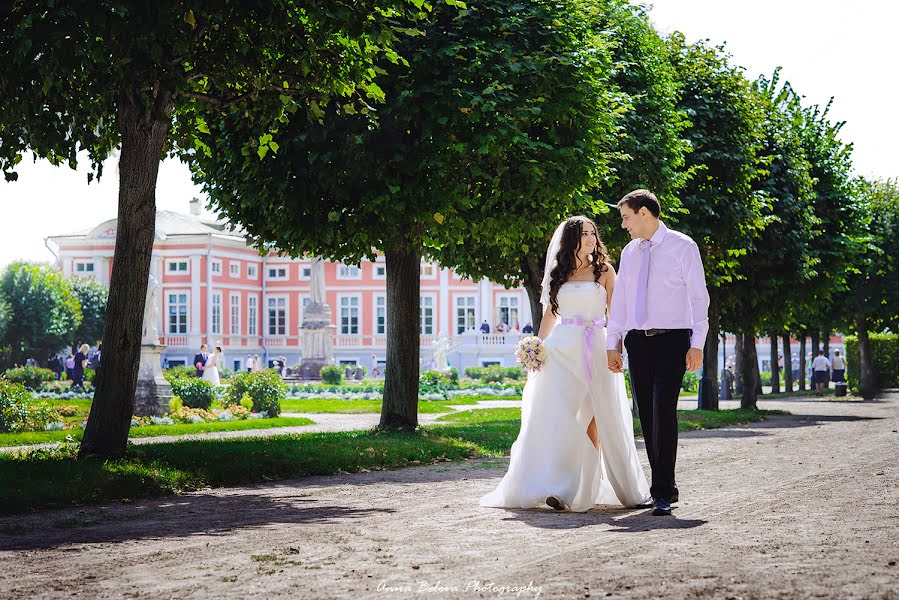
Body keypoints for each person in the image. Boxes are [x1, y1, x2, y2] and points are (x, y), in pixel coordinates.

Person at [481, 215, 651, 513]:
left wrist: (616, 349)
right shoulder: (558, 273)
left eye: (592, 233)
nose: (590, 239)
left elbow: (617, 316)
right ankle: (558, 486)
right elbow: (549, 315)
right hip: (561, 350)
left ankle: (585, 490)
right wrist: (536, 346)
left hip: (597, 348)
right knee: (556, 416)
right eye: (584, 234)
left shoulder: (605, 271)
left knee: (598, 418)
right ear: (571, 239)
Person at [606, 189, 710, 517]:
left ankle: (661, 491)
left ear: (644, 214)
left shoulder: (684, 246)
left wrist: (697, 343)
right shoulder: (629, 252)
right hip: (638, 341)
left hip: (673, 339)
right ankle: (667, 483)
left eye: (626, 217)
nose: (624, 225)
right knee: (648, 414)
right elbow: (621, 301)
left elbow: (698, 297)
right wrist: (614, 342)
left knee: (663, 407)